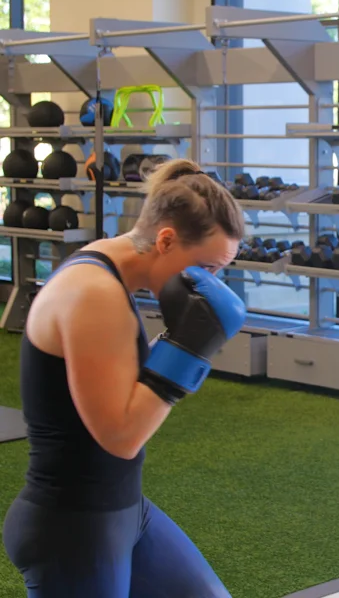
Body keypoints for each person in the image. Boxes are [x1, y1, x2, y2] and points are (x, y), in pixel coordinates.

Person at [2, 158, 247, 598]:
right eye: (208, 267)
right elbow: (120, 435)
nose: (209, 282)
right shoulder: (95, 293)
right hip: (72, 528)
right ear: (167, 239)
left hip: (123, 512)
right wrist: (187, 351)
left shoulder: (108, 273)